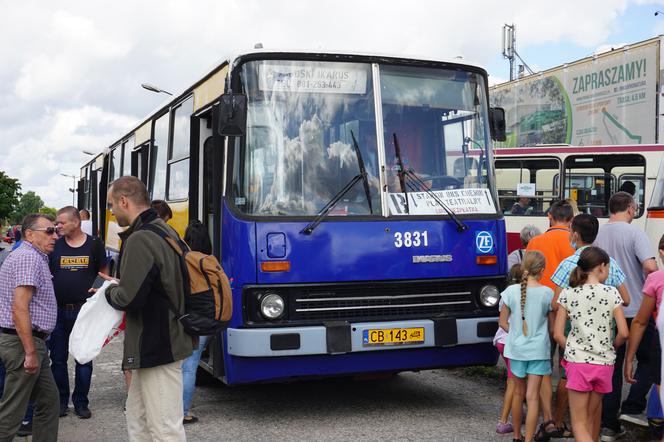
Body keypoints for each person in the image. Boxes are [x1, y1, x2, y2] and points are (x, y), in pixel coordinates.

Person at [100, 176, 194, 441]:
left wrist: (109, 292)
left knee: (165, 429)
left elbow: (130, 298)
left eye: (111, 205)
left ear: (123, 201)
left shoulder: (141, 238)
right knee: (139, 419)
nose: (111, 212)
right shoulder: (164, 229)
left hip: (157, 344)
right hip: (159, 341)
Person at [549, 214, 631, 438]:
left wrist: (574, 346)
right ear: (601, 267)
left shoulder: (568, 292)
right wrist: (609, 347)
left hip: (578, 361)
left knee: (578, 423)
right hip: (604, 361)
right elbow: (624, 332)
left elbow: (557, 333)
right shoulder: (612, 292)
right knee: (593, 417)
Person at [595, 192, 658, 441]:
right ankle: (632, 407)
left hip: (607, 311)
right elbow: (651, 267)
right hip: (636, 310)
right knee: (648, 360)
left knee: (611, 364)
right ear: (631, 209)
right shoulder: (635, 233)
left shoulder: (598, 233)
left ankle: (608, 425)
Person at [0, 214, 60, 441]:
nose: (54, 236)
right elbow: (19, 308)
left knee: (48, 402)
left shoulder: (33, 256)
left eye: (55, 230)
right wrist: (30, 352)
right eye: (48, 231)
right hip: (23, 343)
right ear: (29, 234)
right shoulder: (29, 259)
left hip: (29, 342)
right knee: (12, 411)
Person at [48, 206, 107, 419]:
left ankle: (81, 402)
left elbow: (103, 271)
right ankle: (62, 402)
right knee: (58, 359)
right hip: (58, 312)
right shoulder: (55, 244)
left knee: (84, 359)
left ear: (76, 222)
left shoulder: (94, 244)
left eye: (62, 222)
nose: (58, 226)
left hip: (84, 312)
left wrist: (98, 286)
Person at [525, 199, 575, 438]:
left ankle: (547, 419)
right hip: (568, 313)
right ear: (571, 219)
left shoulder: (536, 241)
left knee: (542, 364)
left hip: (542, 311)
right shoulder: (575, 242)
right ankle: (561, 417)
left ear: (550, 216)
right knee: (566, 366)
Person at [499, 251, 554, 442]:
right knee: (532, 397)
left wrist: (516, 333)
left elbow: (502, 322)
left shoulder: (510, 292)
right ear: (542, 270)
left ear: (523, 268)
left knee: (517, 393)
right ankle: (529, 439)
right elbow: (553, 326)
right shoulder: (547, 293)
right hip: (538, 351)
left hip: (516, 350)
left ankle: (516, 436)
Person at [624, 233, 664, 432]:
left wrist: (629, 358)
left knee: (660, 380)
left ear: (661, 253)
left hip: (661, 341)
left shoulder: (656, 279)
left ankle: (657, 418)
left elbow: (640, 321)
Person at [181, 220, 213, 425]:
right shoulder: (211, 260)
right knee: (191, 364)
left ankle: (181, 411)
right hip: (209, 321)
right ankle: (183, 410)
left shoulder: (184, 260)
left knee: (186, 365)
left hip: (189, 320)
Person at [494, 264, 522, 434]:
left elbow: (502, 318)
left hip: (500, 340)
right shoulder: (524, 294)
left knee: (514, 379)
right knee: (513, 382)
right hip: (512, 341)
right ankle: (503, 421)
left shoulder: (506, 294)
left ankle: (518, 412)